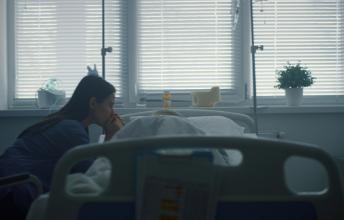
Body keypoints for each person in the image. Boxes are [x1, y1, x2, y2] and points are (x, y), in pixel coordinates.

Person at [0, 74, 123, 219]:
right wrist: (112, 137)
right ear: (93, 103)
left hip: (10, 183)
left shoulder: (67, 123)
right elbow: (92, 175)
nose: (113, 112)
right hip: (15, 192)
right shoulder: (72, 130)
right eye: (110, 104)